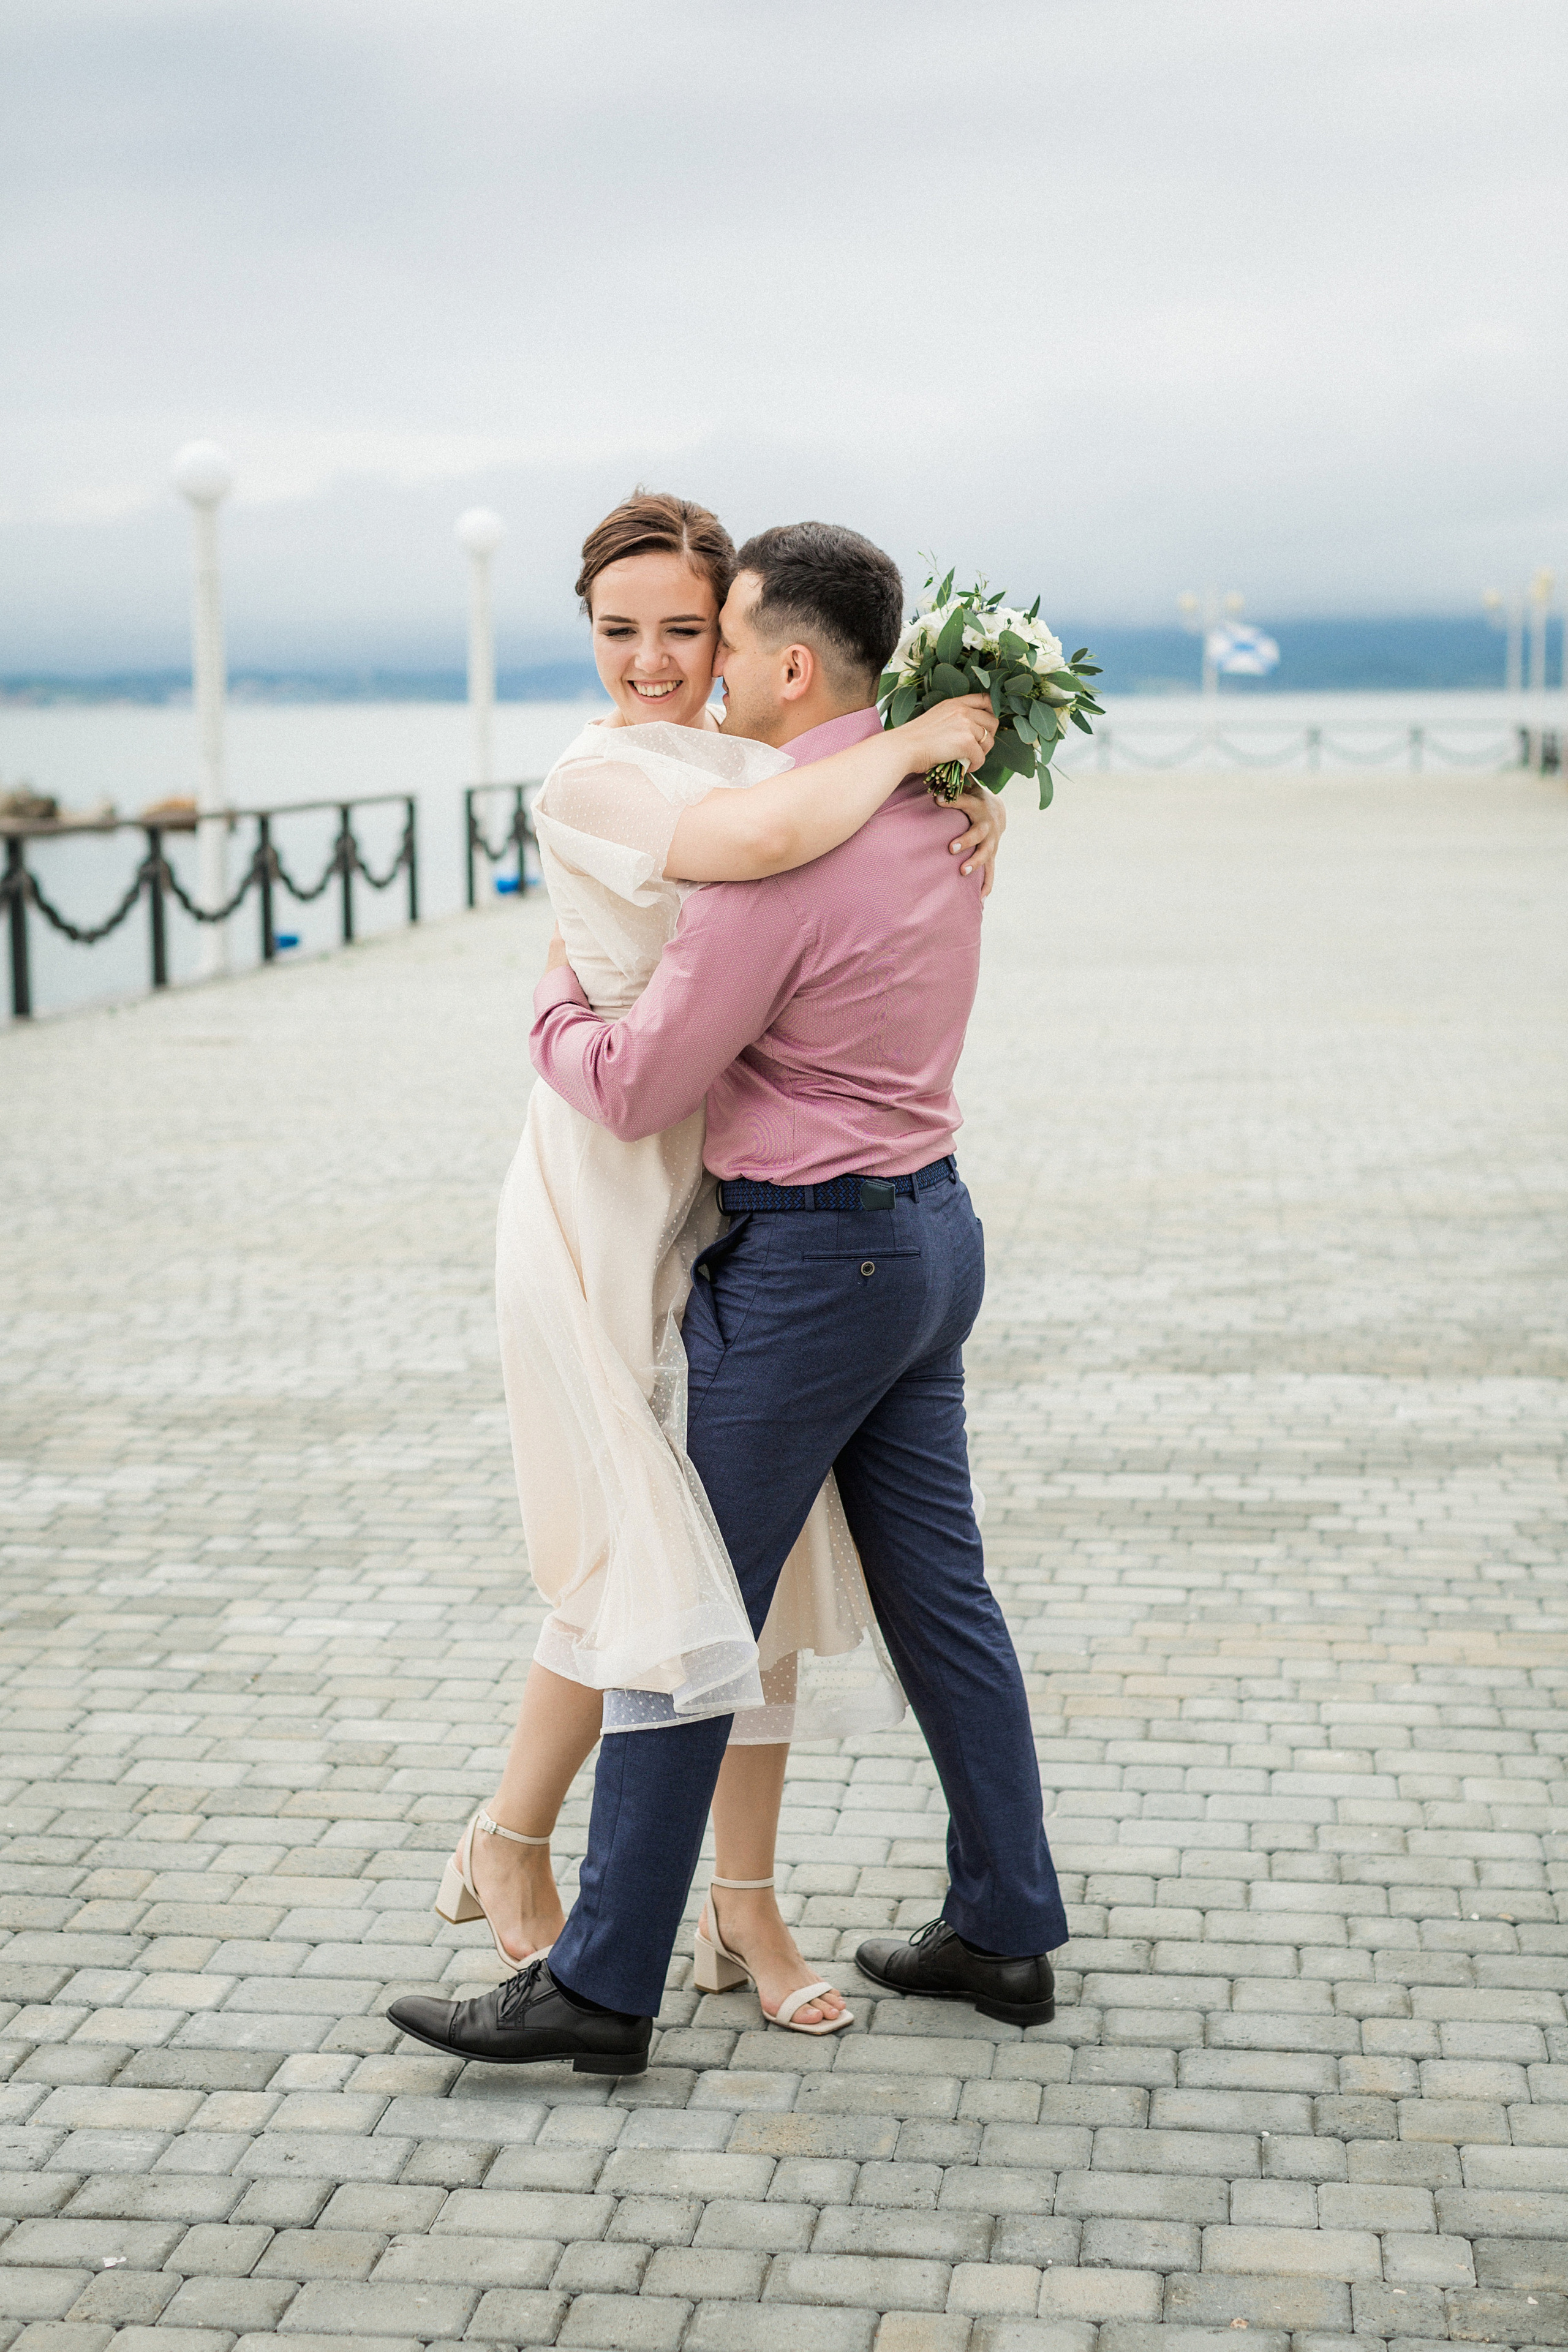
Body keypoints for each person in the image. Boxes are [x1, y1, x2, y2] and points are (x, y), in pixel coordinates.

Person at [391, 518, 1067, 2076]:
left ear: (783, 664)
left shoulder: (783, 856)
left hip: (814, 1268)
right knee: (944, 1602)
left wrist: (551, 1006)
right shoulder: (934, 818)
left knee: (684, 1607)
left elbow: (637, 1089)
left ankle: (600, 1980)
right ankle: (1005, 1926)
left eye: (716, 634)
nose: (687, 668)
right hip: (935, 1237)